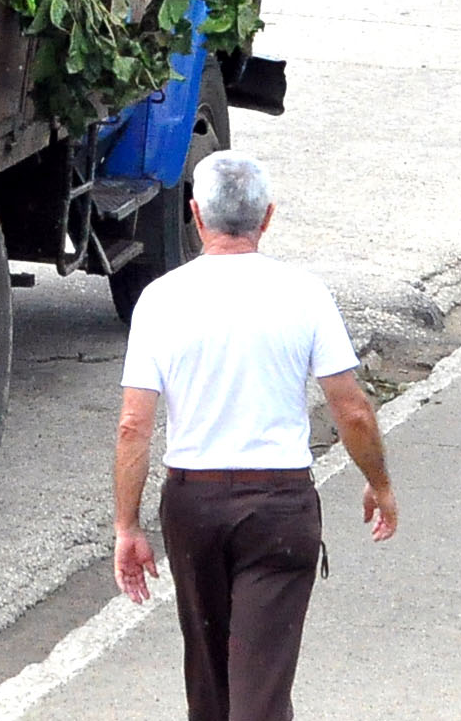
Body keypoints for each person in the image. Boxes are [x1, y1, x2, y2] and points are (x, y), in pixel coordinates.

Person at [114, 153, 398, 721]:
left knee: (210, 682)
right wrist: (379, 484)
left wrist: (127, 526)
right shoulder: (305, 295)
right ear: (267, 217)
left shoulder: (161, 300)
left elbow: (133, 427)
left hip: (193, 506)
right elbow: (354, 411)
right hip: (278, 509)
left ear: (195, 215)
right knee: (261, 689)